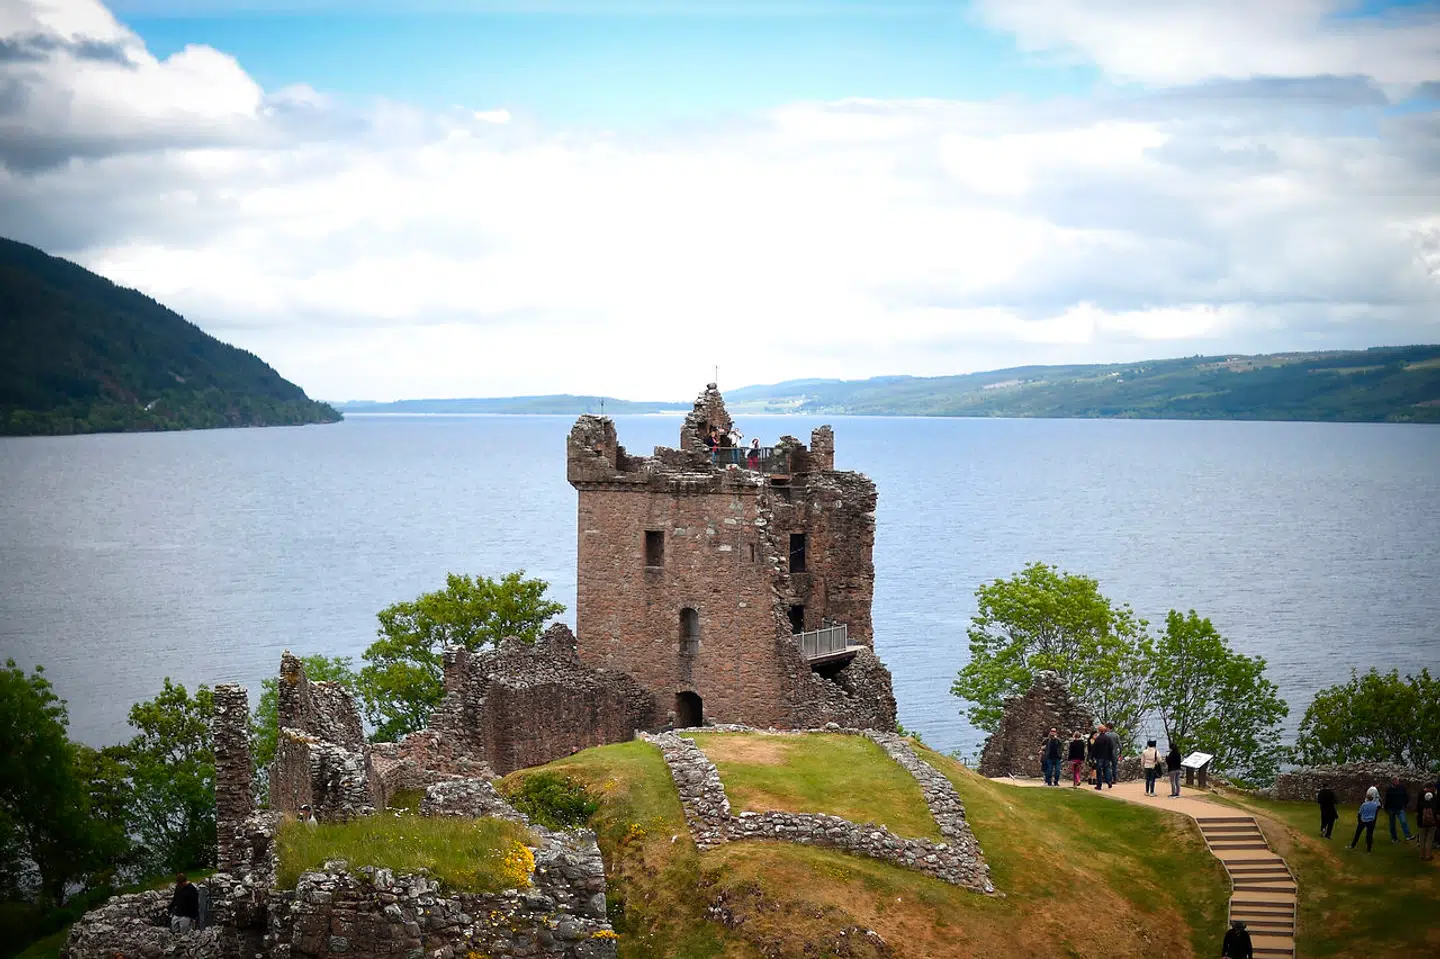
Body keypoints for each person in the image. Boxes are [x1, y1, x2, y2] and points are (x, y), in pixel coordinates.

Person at [1384, 776, 1414, 843]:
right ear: (1393, 782)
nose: (1397, 782)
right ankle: (1394, 838)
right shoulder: (1389, 789)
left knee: (1403, 821)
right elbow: (1387, 799)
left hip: (1400, 808)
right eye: (1396, 781)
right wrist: (1386, 808)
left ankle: (1408, 836)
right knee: (1392, 824)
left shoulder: (1402, 788)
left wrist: (1405, 804)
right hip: (1391, 809)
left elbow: (1406, 796)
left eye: (1397, 780)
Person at [1350, 788, 1381, 852]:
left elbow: (1359, 813)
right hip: (1371, 821)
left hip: (1363, 821)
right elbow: (1378, 808)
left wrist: (1359, 821)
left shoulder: (1364, 805)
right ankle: (1369, 849)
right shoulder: (1375, 805)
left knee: (1357, 833)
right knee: (1369, 835)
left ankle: (1352, 845)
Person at [1417, 787, 1437, 862]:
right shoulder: (1433, 804)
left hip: (1422, 823)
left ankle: (1422, 855)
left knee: (1422, 839)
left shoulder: (1421, 804)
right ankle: (1428, 855)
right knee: (1429, 839)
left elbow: (1418, 812)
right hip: (1431, 824)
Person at [1091, 724, 1113, 790]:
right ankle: (1109, 781)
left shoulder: (1098, 739)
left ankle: (1099, 785)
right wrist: (1110, 756)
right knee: (1107, 769)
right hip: (1107, 757)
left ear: (1099, 731)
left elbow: (1094, 749)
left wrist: (1092, 757)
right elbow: (1111, 748)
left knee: (1099, 771)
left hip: (1099, 757)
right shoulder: (1108, 739)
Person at [1104, 724, 1122, 788]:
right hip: (1115, 753)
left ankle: (1109, 779)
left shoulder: (1106, 735)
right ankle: (1114, 779)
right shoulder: (1116, 735)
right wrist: (1120, 753)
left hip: (1107, 753)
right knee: (1114, 767)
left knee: (1107, 767)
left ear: (1108, 727)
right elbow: (1120, 745)